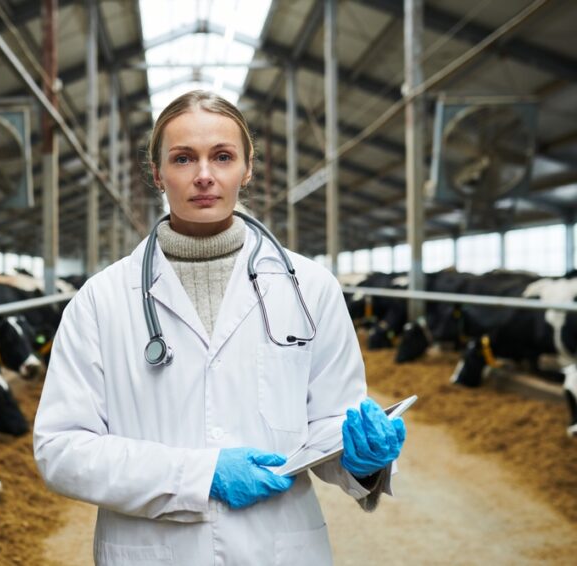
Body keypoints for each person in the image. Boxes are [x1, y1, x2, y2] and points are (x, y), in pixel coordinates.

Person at [33, 90, 406, 565]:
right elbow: (61, 451)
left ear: (247, 169)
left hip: (279, 547)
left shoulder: (310, 288)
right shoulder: (100, 300)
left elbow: (330, 425)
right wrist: (199, 475)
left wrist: (363, 459)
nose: (204, 175)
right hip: (152, 552)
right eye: (184, 158)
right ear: (158, 173)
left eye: (222, 157)